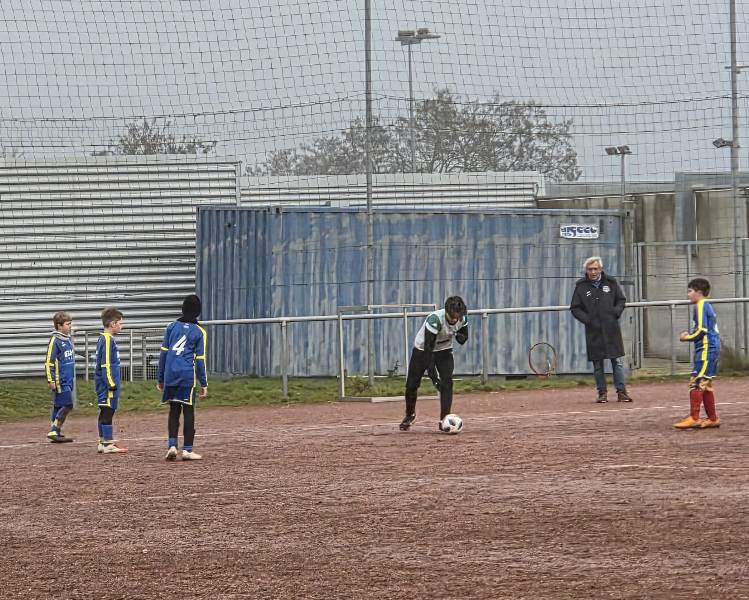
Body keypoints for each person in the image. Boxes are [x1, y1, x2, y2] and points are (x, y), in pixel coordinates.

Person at [399, 296, 468, 432]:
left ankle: (444, 419)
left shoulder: (462, 318)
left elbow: (463, 338)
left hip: (444, 349)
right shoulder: (435, 320)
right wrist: (433, 377)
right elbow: (428, 350)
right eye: (452, 316)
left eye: (458, 316)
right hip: (423, 349)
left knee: (447, 382)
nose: (455, 319)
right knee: (412, 384)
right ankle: (410, 414)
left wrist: (459, 336)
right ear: (446, 312)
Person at [570, 256, 633, 403]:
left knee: (616, 362)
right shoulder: (581, 286)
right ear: (586, 270)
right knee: (598, 365)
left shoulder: (611, 283)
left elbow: (621, 300)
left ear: (601, 269)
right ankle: (602, 393)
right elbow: (575, 308)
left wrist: (615, 313)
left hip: (611, 330)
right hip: (594, 331)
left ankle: (622, 392)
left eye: (595, 269)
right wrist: (588, 320)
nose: (593, 272)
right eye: (590, 269)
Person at [157, 294, 208, 461]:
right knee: (188, 410)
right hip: (187, 375)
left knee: (173, 409)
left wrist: (160, 378)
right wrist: (204, 383)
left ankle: (172, 445)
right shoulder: (200, 331)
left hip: (170, 374)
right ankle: (187, 449)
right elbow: (200, 360)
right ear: (198, 311)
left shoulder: (171, 327)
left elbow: (163, 355)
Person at [673, 278, 721, 429]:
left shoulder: (701, 305)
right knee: (706, 384)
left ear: (699, 292)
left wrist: (686, 337)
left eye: (690, 291)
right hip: (710, 348)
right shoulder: (705, 305)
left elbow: (702, 331)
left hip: (707, 349)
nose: (688, 294)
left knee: (696, 382)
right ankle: (713, 418)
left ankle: (694, 417)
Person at [95, 307, 128, 454]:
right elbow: (106, 364)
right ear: (113, 324)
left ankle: (103, 442)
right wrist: (111, 383)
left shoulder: (103, 338)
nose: (121, 326)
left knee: (104, 410)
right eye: (120, 323)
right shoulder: (108, 340)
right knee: (108, 410)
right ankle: (108, 443)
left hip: (103, 382)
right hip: (108, 384)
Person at [45, 311, 76, 443]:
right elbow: (49, 362)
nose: (70, 326)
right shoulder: (55, 340)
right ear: (59, 326)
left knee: (58, 406)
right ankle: (54, 429)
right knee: (68, 404)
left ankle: (55, 432)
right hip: (60, 380)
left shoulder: (67, 339)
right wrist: (50, 380)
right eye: (68, 324)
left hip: (69, 379)